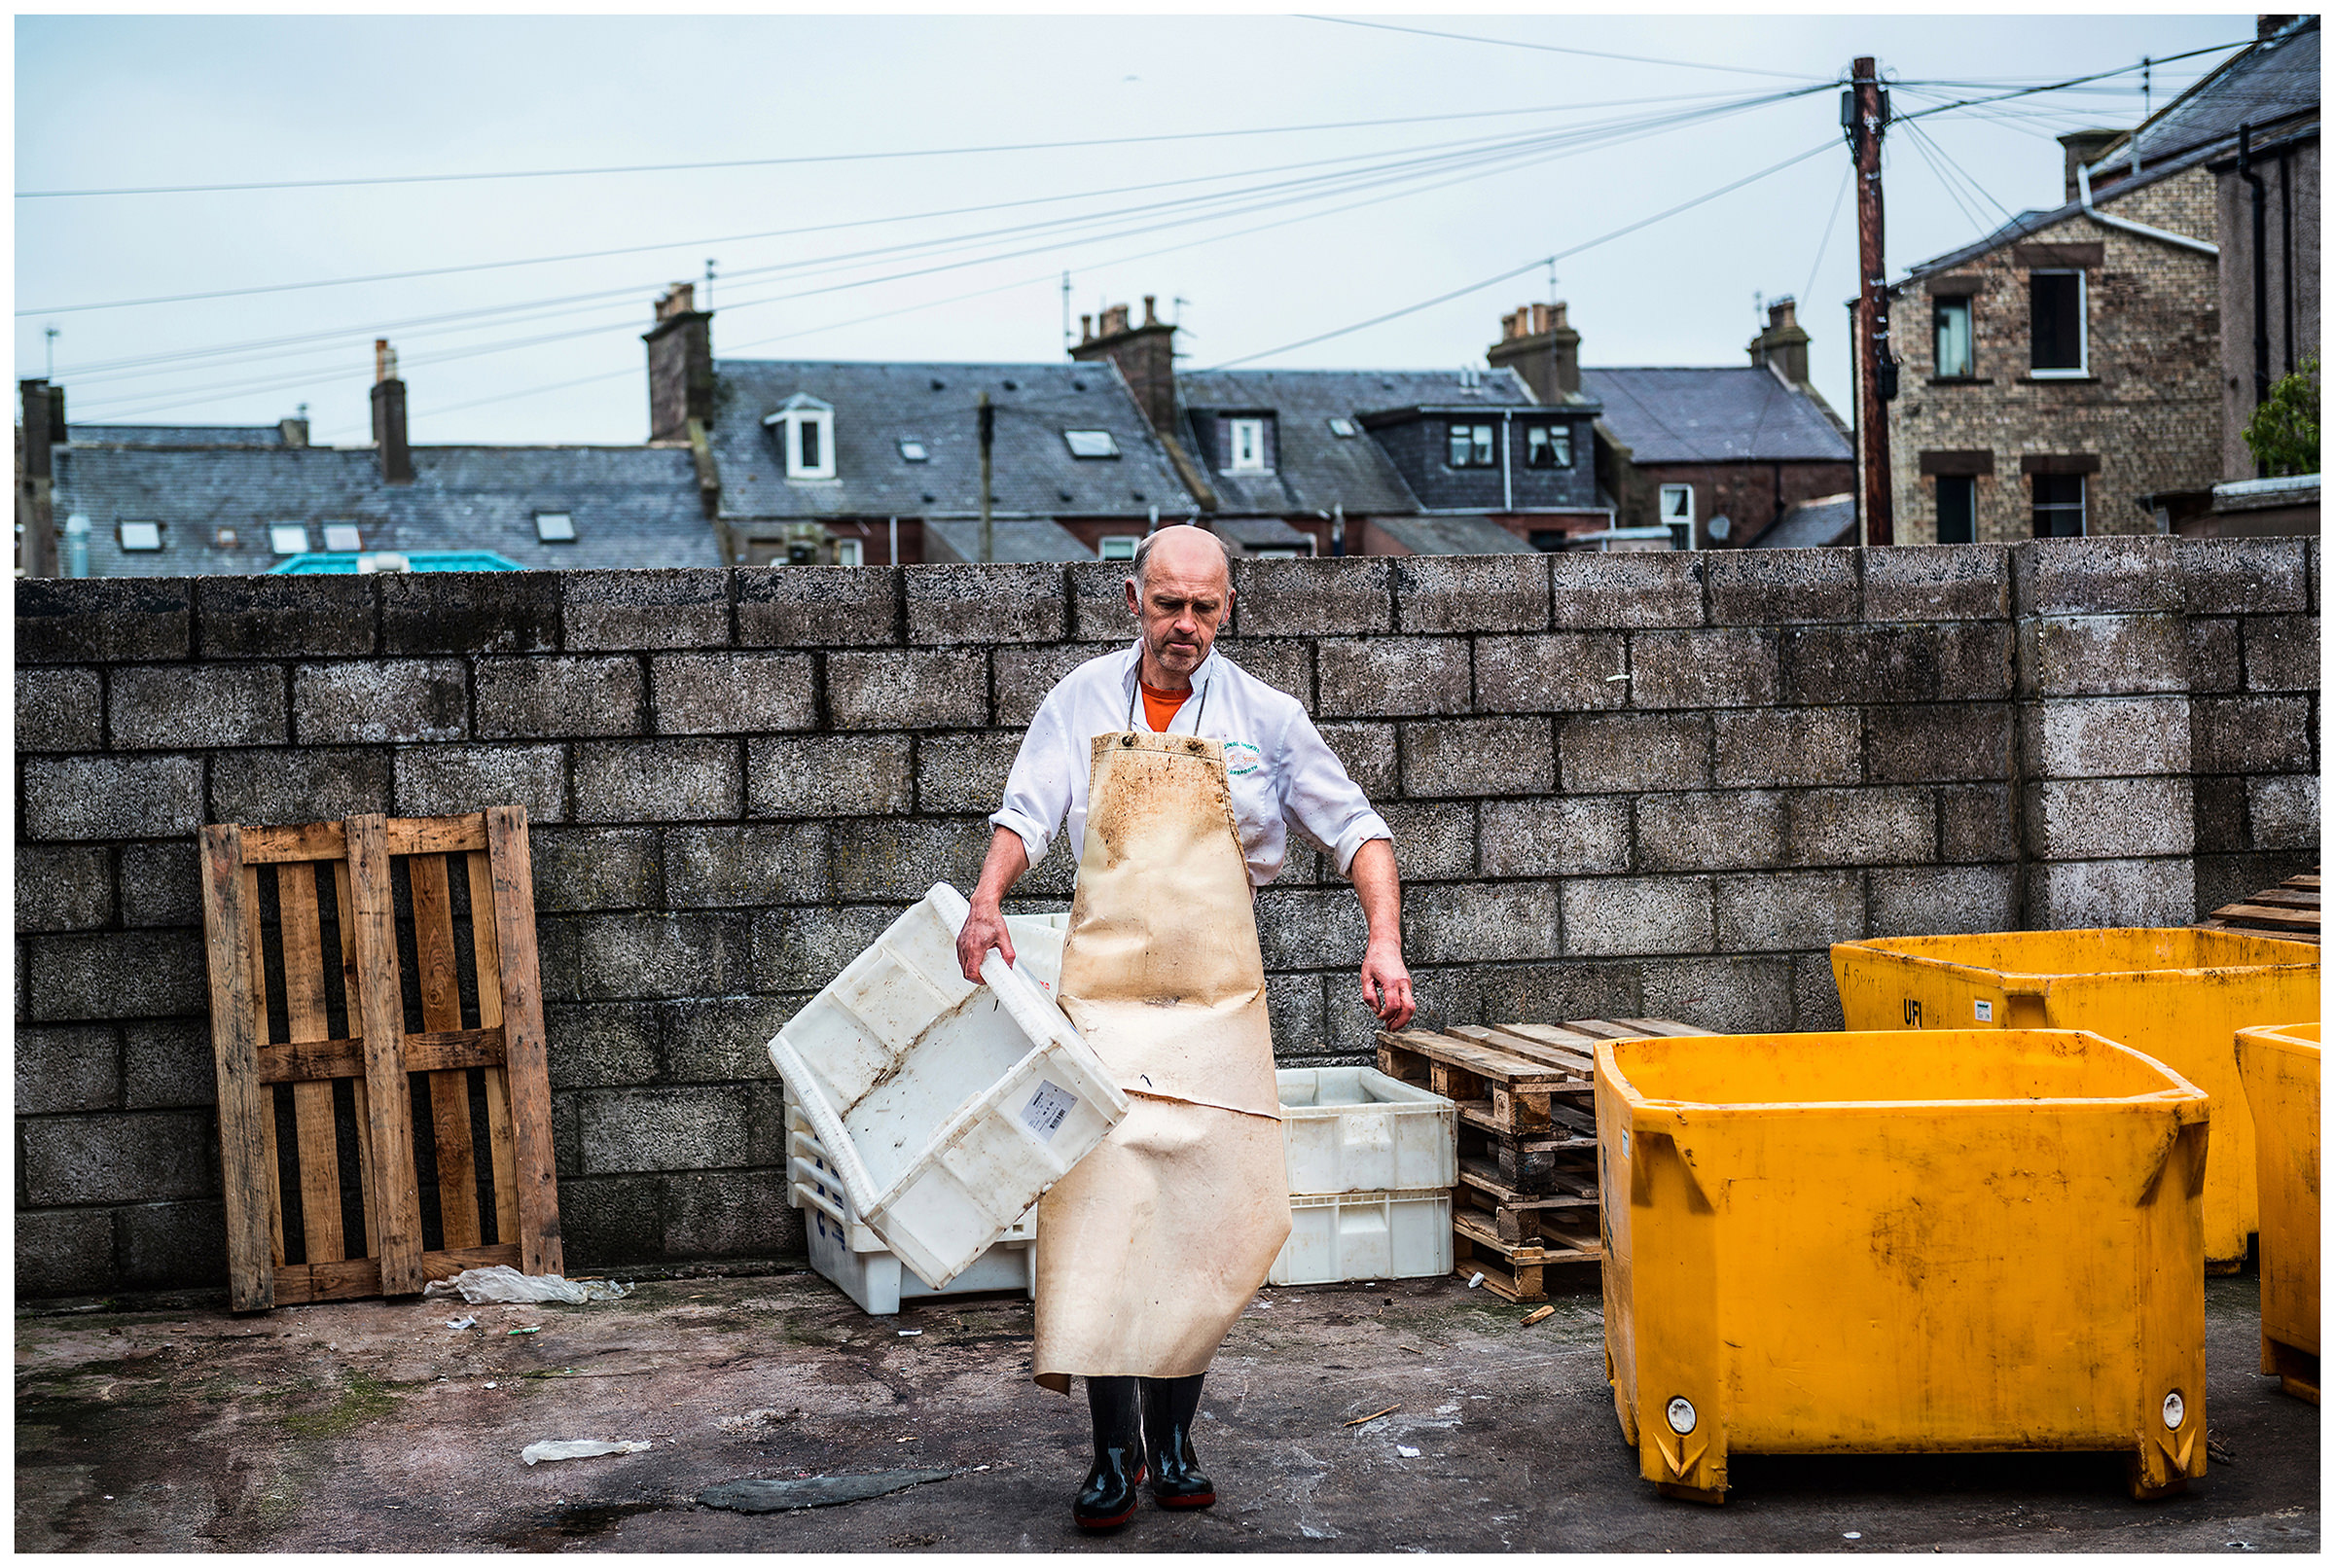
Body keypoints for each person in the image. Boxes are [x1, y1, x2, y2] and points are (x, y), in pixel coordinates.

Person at [954, 524, 1417, 1531]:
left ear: (1228, 609)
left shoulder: (1267, 715)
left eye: (1206, 607)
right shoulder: (1079, 701)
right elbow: (1027, 814)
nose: (1186, 625)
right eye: (1168, 604)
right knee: (1106, 1218)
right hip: (1106, 1002)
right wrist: (989, 900)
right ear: (1132, 601)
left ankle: (1176, 1442)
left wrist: (1383, 939)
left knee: (1203, 1219)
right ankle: (1112, 1454)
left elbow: (1358, 830)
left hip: (1215, 1005)